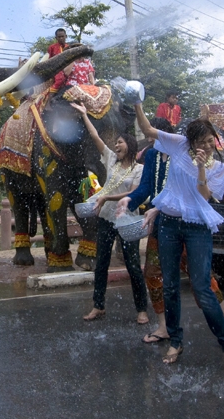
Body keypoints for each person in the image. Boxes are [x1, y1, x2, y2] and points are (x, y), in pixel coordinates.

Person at [134, 104, 224, 373]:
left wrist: (203, 168)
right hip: (169, 223)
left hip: (197, 228)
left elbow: (204, 197)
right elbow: (148, 130)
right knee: (170, 285)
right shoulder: (179, 145)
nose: (209, 145)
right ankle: (176, 340)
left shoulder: (218, 168)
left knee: (202, 287)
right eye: (203, 141)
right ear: (191, 142)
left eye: (211, 140)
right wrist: (137, 100)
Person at [119, 119, 224, 344]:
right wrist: (132, 201)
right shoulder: (151, 156)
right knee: (154, 273)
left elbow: (201, 195)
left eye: (158, 135)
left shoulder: (185, 154)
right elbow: (147, 187)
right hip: (163, 221)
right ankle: (164, 328)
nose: (154, 139)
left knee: (202, 280)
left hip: (191, 222)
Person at [71, 102, 149, 325]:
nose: (116, 146)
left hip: (126, 221)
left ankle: (141, 309)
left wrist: (106, 197)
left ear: (130, 146)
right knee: (102, 263)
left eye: (120, 142)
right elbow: (95, 136)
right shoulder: (111, 160)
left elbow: (134, 194)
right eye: (115, 143)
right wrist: (85, 115)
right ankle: (98, 306)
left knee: (133, 265)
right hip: (106, 219)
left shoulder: (139, 169)